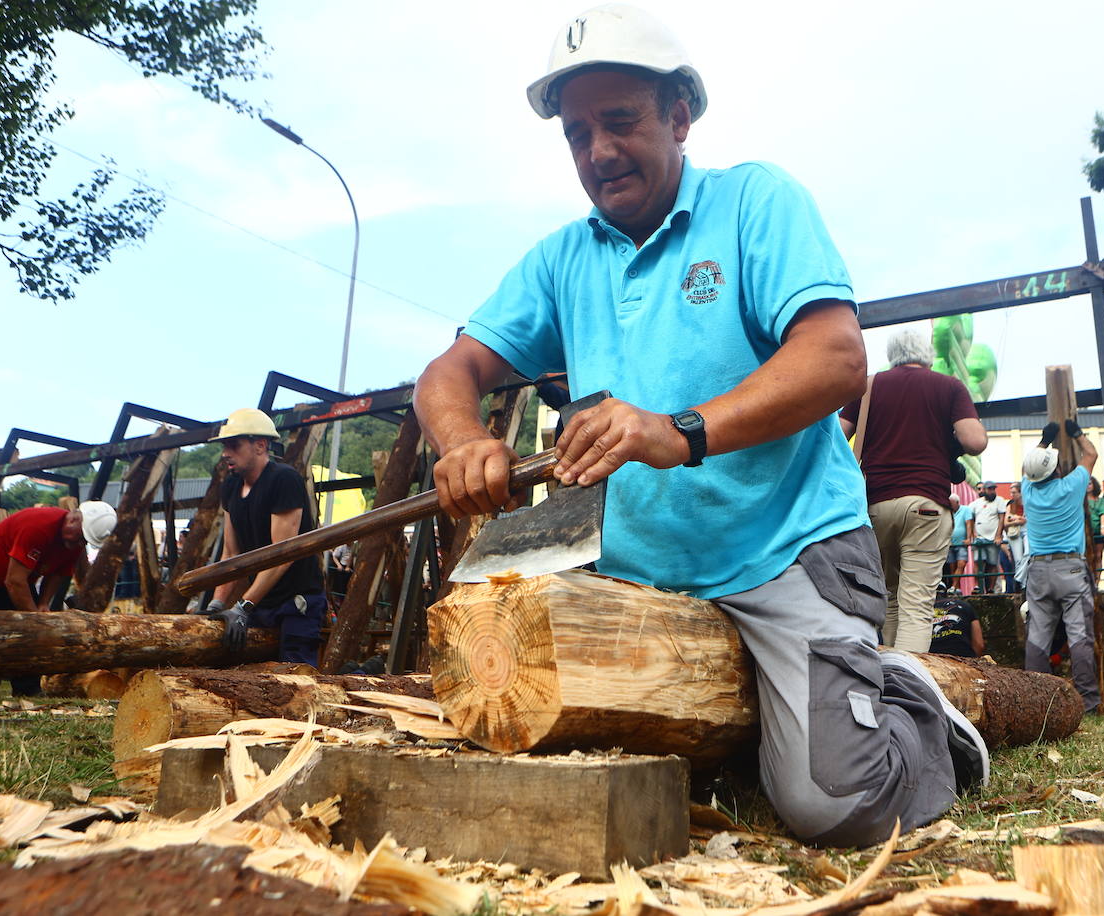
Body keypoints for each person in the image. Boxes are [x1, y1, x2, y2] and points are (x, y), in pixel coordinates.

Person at [412, 3, 988, 847]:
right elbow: (446, 375)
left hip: (785, 548)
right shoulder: (562, 259)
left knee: (835, 803)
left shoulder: (755, 201)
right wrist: (462, 440)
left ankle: (910, 703)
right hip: (639, 575)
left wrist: (677, 431)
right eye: (577, 134)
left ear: (680, 115)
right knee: (515, 714)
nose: (599, 152)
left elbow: (834, 360)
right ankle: (791, 715)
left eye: (621, 121)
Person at [837, 329, 987, 651]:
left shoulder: (868, 386)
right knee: (917, 607)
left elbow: (837, 436)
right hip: (926, 505)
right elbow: (975, 442)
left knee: (890, 600)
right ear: (927, 353)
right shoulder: (948, 386)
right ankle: (908, 693)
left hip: (875, 507)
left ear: (893, 353)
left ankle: (888, 684)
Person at [197, 408, 326, 665]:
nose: (226, 453)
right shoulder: (231, 486)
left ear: (260, 445)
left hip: (296, 602)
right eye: (225, 446)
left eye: (234, 445)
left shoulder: (283, 480)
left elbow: (282, 554)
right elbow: (231, 554)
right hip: (261, 602)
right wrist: (217, 602)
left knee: (295, 676)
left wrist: (244, 606)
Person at [0, 500, 117, 694]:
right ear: (74, 518)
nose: (78, 544)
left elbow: (57, 573)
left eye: (83, 541)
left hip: (10, 576)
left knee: (25, 631)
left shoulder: (75, 542)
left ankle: (27, 689)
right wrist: (35, 618)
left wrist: (42, 604)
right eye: (80, 538)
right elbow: (14, 581)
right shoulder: (37, 526)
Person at [1020, 421, 1101, 714]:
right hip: (1071, 568)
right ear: (1057, 469)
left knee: (1038, 636)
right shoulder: (1072, 485)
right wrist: (1077, 433)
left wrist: (1044, 439)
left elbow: (1028, 468)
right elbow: (1090, 455)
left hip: (1039, 570)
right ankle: (1088, 704)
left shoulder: (1027, 490)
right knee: (1079, 635)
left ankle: (1036, 701)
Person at [966, 482, 1006, 593]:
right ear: (985, 490)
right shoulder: (975, 504)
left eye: (993, 489)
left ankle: (990, 589)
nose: (992, 491)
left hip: (993, 538)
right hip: (979, 538)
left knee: (992, 563)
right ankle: (978, 586)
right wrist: (972, 534)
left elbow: (1002, 519)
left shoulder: (1000, 501)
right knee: (978, 562)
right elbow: (970, 519)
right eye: (989, 489)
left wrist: (998, 535)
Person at [928, 590, 984, 657]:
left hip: (931, 659)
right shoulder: (965, 606)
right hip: (963, 657)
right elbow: (979, 644)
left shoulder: (921, 611)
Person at [945, 494, 973, 591]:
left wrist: (969, 538)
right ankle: (957, 587)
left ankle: (953, 586)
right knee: (952, 567)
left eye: (952, 504)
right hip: (950, 543)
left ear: (957, 503)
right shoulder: (948, 512)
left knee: (961, 564)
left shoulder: (966, 510)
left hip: (961, 543)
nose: (950, 505)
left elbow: (969, 524)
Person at [1002, 482, 1026, 594]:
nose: (1012, 494)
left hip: (1026, 531)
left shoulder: (1027, 503)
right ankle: (1022, 585)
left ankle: (1018, 579)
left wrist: (1014, 518)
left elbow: (1025, 520)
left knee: (1029, 554)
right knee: (1018, 560)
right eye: (1011, 492)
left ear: (1021, 492)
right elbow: (1006, 523)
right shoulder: (1010, 504)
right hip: (1014, 533)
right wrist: (1019, 519)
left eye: (1014, 492)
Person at [1085, 477, 1104, 589]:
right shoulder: (1081, 501)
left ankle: (1097, 582)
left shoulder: (1100, 501)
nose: (1088, 485)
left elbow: (1103, 514)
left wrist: (1103, 528)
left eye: (1090, 483)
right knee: (1088, 556)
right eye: (1086, 483)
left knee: (1098, 556)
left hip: (1097, 531)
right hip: (1085, 532)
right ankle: (1088, 581)